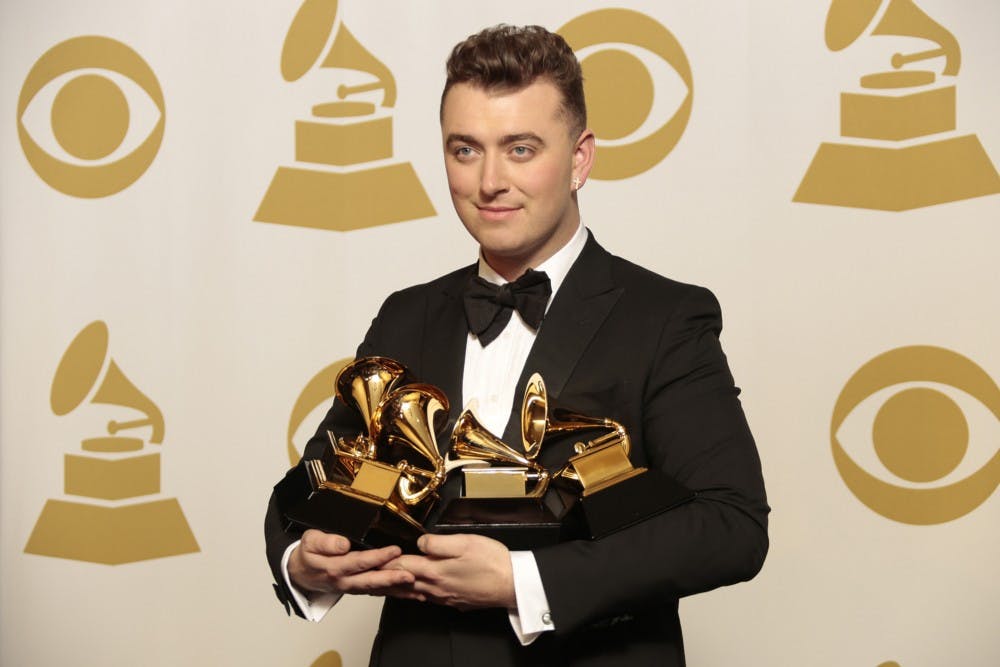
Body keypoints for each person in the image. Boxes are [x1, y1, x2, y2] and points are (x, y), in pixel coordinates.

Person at [265, 24, 769, 667]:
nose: (490, 181)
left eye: (521, 149)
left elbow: (731, 525)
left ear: (580, 159)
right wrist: (302, 559)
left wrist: (525, 583)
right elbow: (314, 482)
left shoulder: (665, 318)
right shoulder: (405, 315)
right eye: (465, 150)